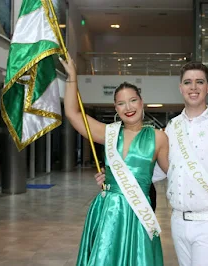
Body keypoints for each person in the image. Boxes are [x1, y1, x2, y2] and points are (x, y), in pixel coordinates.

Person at [96, 62, 208, 266]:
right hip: (178, 222)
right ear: (181, 88)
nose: (193, 87)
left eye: (200, 82)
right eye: (188, 82)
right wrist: (114, 176)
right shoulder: (172, 127)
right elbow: (162, 170)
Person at [60, 54, 169, 266]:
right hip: (108, 211)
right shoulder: (109, 133)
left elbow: (175, 175)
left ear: (141, 101)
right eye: (121, 103)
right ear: (116, 109)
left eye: (132, 100)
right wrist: (72, 76)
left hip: (139, 214)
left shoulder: (158, 137)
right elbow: (73, 114)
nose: (128, 107)